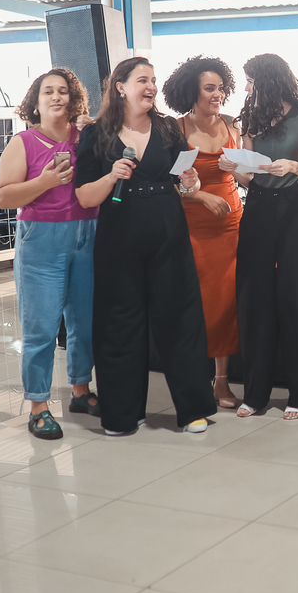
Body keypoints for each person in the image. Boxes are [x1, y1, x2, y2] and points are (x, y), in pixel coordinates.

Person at [74, 57, 216, 435]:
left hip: (168, 233)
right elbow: (85, 197)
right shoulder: (96, 134)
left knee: (180, 317)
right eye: (142, 80)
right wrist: (110, 176)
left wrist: (191, 181)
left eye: (153, 80)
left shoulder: (168, 128)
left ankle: (193, 409)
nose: (151, 86)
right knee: (119, 321)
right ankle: (123, 413)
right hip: (118, 235)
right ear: (120, 86)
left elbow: (190, 184)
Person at [218, 54, 298, 420]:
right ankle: (255, 393)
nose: (246, 87)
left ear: (268, 80)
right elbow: (250, 176)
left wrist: (296, 166)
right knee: (254, 297)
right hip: (258, 206)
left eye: (251, 80)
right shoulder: (251, 117)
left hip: (294, 206)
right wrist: (233, 169)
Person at [0, 68, 98, 440]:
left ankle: (81, 389)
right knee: (40, 328)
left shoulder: (87, 137)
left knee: (84, 321)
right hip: (41, 240)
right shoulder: (23, 142)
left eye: (63, 91)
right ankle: (38, 406)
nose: (56, 97)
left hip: (88, 234)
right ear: (35, 104)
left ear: (73, 100)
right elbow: (4, 197)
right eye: (48, 92)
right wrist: (45, 182)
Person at [162, 55, 243, 409]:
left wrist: (247, 170)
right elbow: (168, 184)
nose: (217, 95)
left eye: (220, 88)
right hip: (192, 226)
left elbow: (244, 177)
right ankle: (194, 376)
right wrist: (201, 196)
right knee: (197, 303)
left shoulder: (232, 127)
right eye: (209, 88)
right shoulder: (175, 129)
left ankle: (221, 380)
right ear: (190, 93)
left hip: (231, 225)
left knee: (227, 303)